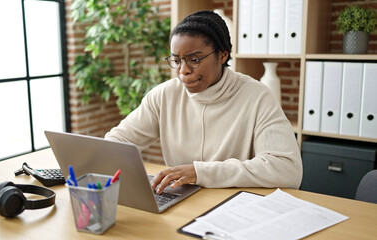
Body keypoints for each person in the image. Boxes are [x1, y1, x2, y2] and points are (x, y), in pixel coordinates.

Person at [105, 10, 302, 194]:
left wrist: (200, 172)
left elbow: (287, 169)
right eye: (177, 60)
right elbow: (117, 142)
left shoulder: (258, 97)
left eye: (194, 59)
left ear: (222, 55)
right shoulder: (164, 96)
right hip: (182, 201)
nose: (183, 70)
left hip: (233, 206)